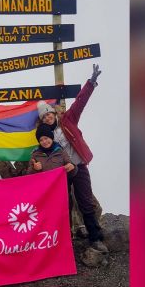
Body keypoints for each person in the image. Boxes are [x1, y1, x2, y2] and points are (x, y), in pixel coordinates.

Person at [35, 64, 108, 253]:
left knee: (85, 201)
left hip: (79, 166)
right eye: (44, 117)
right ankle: (64, 241)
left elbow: (80, 102)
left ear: (54, 113)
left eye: (49, 114)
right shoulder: (44, 137)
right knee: (62, 203)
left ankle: (95, 238)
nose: (47, 118)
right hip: (60, 173)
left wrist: (91, 82)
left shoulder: (68, 120)